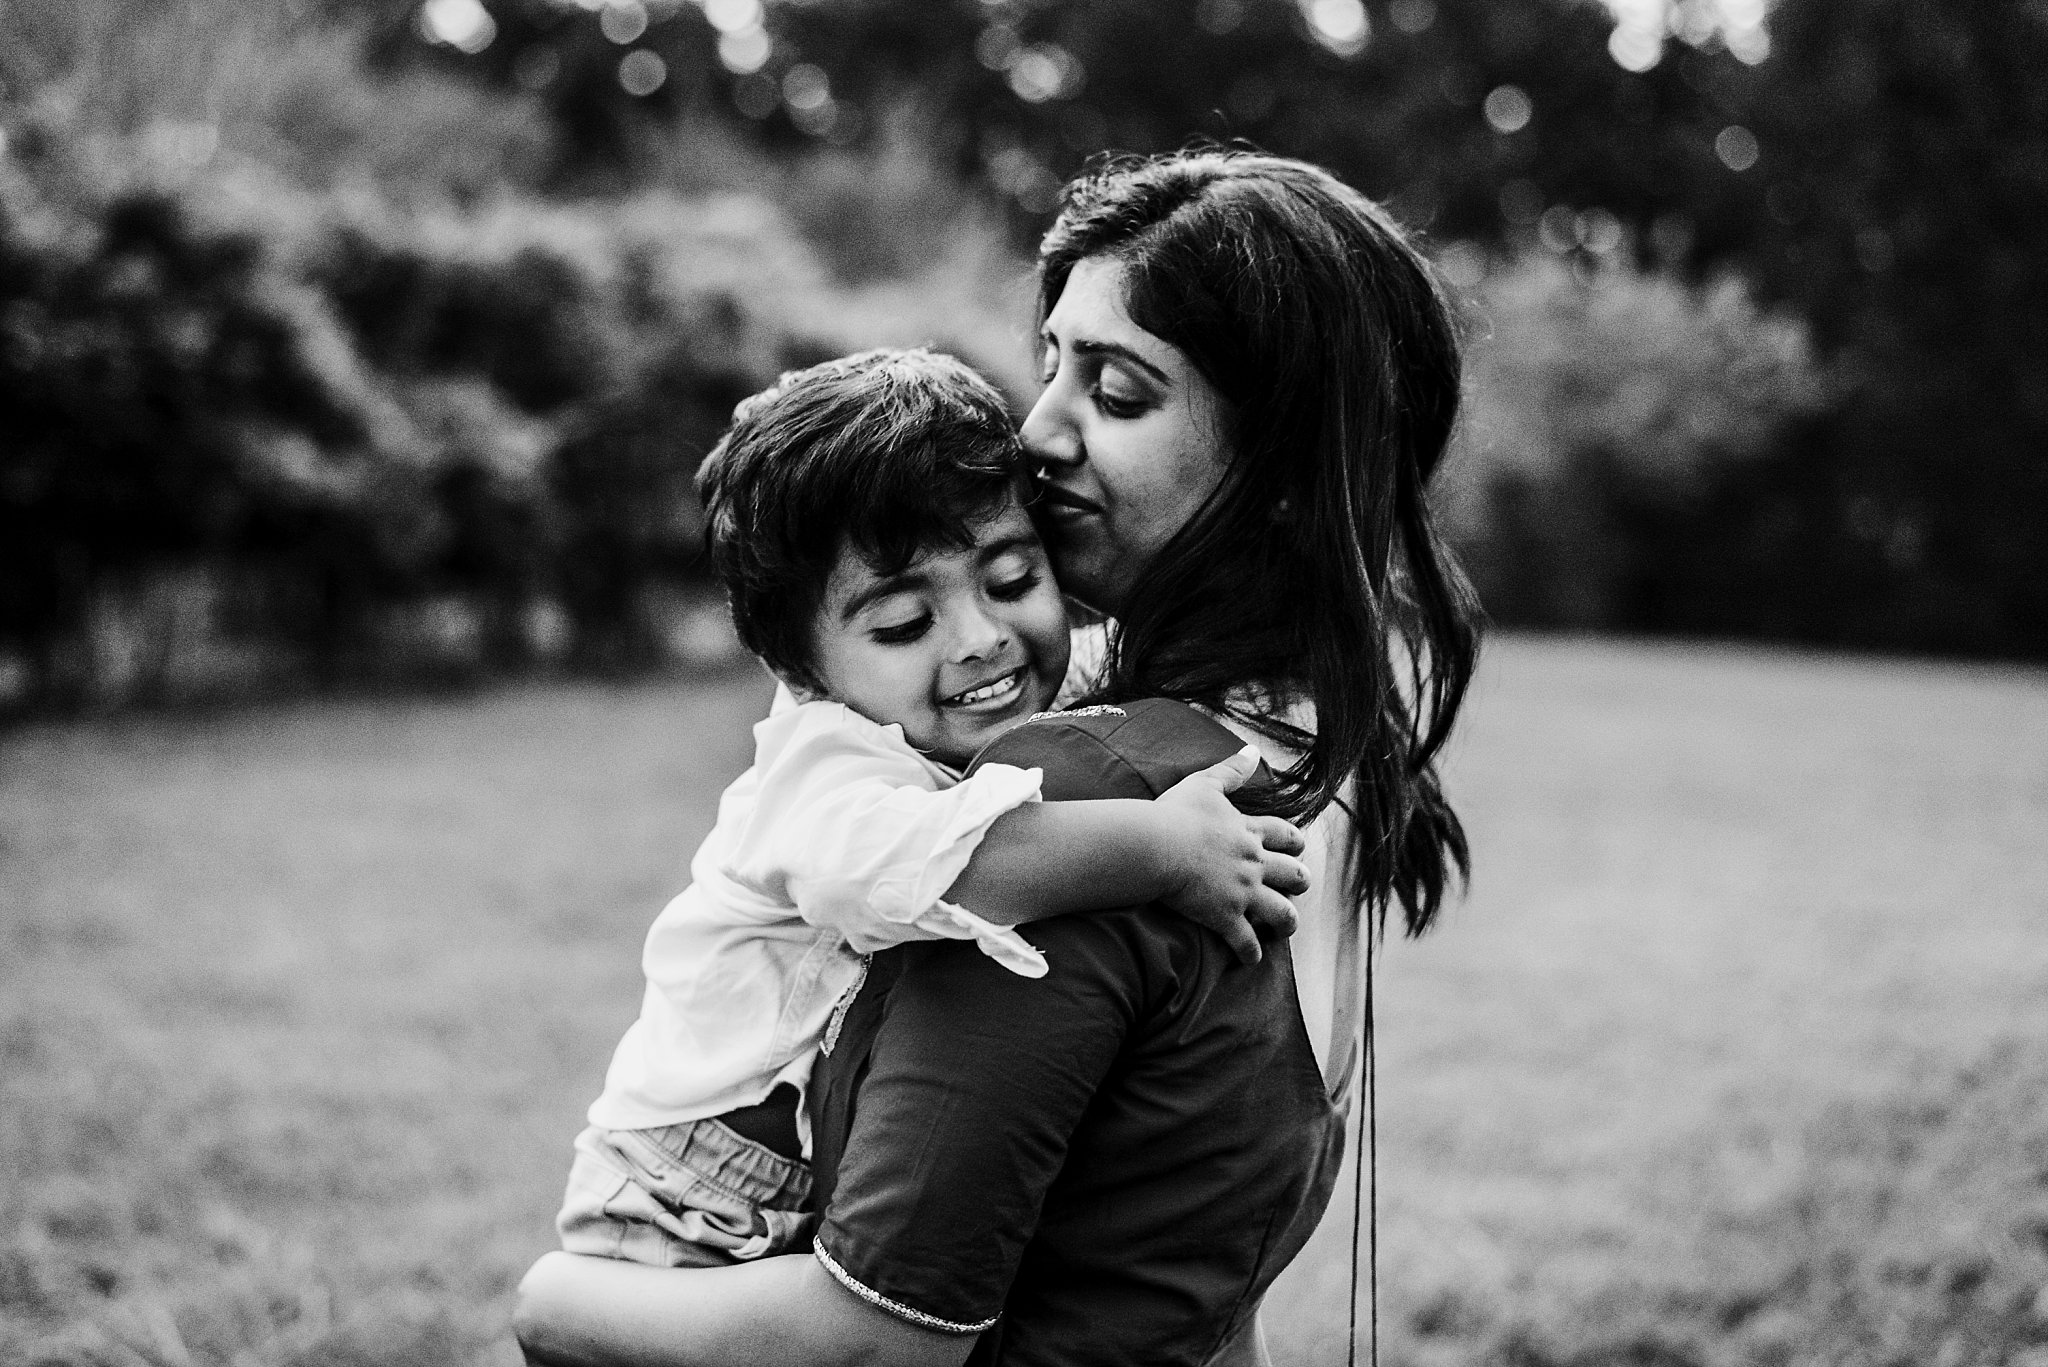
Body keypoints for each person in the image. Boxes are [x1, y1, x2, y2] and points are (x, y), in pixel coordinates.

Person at [514, 148, 1480, 1367]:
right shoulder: (1326, 766)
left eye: (1118, 395)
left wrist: (549, 1301)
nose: (1036, 432)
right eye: (1050, 367)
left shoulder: (1068, 806)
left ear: (1283, 470)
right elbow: (1207, 1302)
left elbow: (876, 1344)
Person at [550, 347, 1308, 1278]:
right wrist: (1163, 851)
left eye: (1013, 578)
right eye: (906, 625)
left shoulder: (968, 688)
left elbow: (1125, 652)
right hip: (684, 1197)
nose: (981, 638)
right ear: (798, 669)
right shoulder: (826, 767)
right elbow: (950, 866)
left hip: (779, 1175)